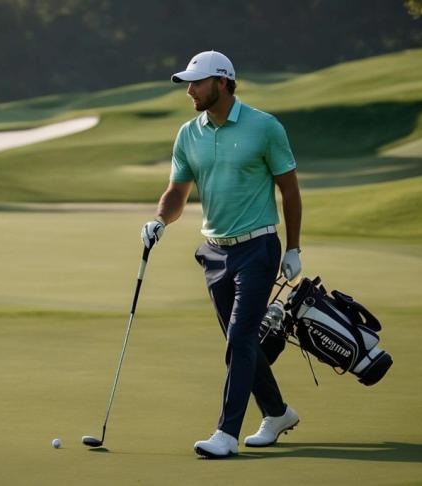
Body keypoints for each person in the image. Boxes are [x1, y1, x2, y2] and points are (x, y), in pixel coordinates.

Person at [141, 50, 303, 459]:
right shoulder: (188, 134)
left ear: (223, 82)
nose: (190, 90)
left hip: (259, 247)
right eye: (188, 83)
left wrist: (294, 246)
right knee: (240, 343)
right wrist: (160, 219)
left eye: (197, 82)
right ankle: (278, 412)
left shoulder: (264, 127)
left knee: (240, 337)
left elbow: (289, 190)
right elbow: (177, 193)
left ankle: (226, 434)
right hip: (214, 252)